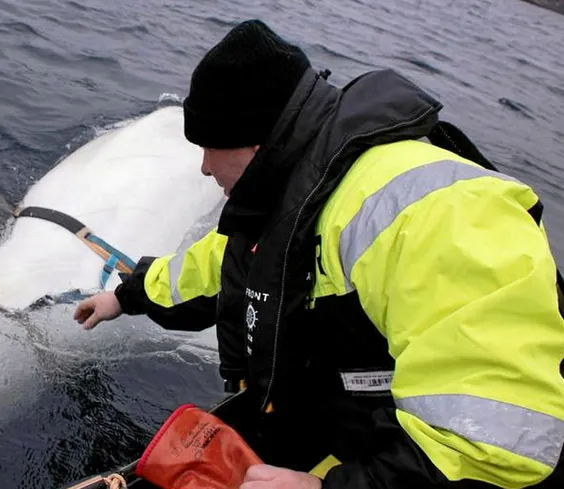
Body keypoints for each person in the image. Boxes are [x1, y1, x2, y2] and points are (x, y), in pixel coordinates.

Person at [73, 19, 564, 489]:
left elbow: (493, 446)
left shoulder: (442, 215)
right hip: (354, 427)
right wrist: (126, 296)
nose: (203, 169)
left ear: (257, 140)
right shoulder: (296, 191)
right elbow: (222, 266)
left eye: (209, 147)